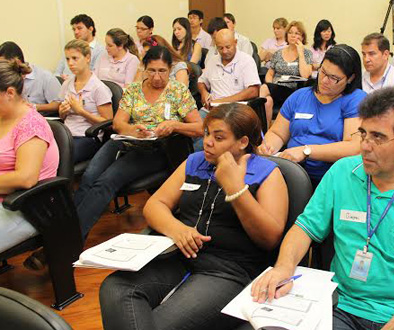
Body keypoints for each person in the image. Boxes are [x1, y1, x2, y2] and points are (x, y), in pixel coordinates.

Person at [251, 87, 394, 329]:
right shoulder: (342, 172)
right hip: (340, 307)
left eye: (378, 137)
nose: (365, 146)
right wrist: (283, 267)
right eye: (363, 134)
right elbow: (304, 228)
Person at [99, 103, 288, 330]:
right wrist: (176, 229)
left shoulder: (267, 173)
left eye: (219, 138)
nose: (207, 142)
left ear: (242, 142)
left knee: (158, 325)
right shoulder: (195, 161)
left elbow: (269, 238)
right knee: (116, 287)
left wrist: (236, 189)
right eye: (207, 133)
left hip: (227, 270)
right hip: (179, 255)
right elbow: (155, 205)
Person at [74, 46, 202, 237]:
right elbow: (118, 123)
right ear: (144, 68)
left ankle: (70, 242)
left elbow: (199, 128)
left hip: (156, 148)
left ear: (170, 69)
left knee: (106, 181)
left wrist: (174, 125)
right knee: (88, 177)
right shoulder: (134, 90)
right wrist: (133, 129)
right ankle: (65, 234)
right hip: (127, 140)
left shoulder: (177, 91)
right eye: (151, 70)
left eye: (162, 71)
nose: (157, 77)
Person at [257, 45, 365, 186]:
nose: (325, 81)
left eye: (334, 78)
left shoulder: (355, 100)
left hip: (333, 179)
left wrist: (306, 151)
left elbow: (354, 147)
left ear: (350, 78)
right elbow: (278, 133)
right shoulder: (299, 96)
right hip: (291, 174)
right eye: (323, 72)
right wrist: (268, 147)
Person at [0, 59, 59, 259]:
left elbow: (26, 178)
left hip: (26, 208)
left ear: (9, 93)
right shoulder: (2, 118)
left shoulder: (31, 125)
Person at [58, 39, 113, 163]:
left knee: (61, 158)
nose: (70, 63)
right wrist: (62, 112)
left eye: (75, 58)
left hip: (87, 137)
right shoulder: (67, 84)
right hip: (67, 135)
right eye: (67, 59)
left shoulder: (98, 88)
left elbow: (108, 122)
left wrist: (81, 112)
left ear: (87, 58)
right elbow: (62, 117)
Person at [259, 21, 313, 122]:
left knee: (264, 88)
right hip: (277, 87)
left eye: (297, 33)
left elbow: (305, 74)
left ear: (302, 37)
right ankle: (264, 131)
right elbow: (270, 73)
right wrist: (271, 85)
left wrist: (300, 53)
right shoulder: (278, 53)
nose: (293, 35)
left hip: (294, 90)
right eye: (290, 32)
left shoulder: (307, 53)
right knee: (267, 100)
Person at [197, 29, 260, 106]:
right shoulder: (212, 61)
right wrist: (204, 93)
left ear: (235, 43)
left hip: (236, 107)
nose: (224, 51)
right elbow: (201, 82)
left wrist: (222, 102)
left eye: (228, 47)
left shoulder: (246, 61)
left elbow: (253, 91)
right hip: (212, 107)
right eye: (220, 48)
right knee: (194, 118)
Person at [0, 42, 61, 113]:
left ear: (18, 62)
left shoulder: (44, 76)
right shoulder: (4, 77)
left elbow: (58, 103)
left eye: (4, 64)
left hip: (41, 117)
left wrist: (34, 107)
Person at [55, 14, 105, 80]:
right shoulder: (70, 49)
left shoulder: (100, 50)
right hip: (63, 85)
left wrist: (69, 79)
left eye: (79, 28)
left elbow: (94, 75)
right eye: (74, 29)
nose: (76, 32)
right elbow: (57, 72)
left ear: (90, 29)